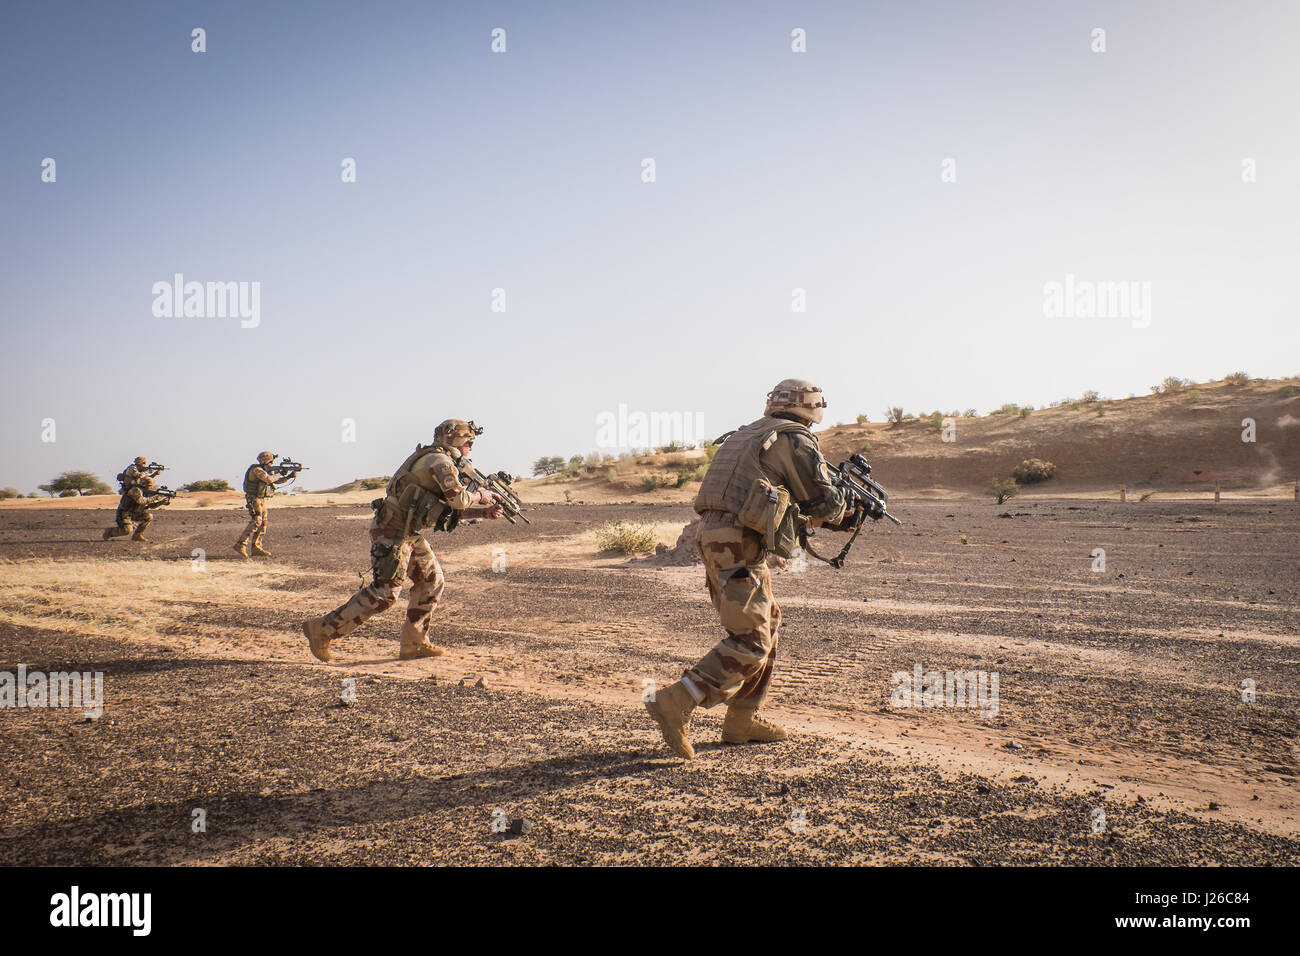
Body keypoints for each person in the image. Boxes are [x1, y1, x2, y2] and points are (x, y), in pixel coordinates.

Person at [644, 379, 848, 759]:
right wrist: (845, 506)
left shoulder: (749, 434)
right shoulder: (795, 439)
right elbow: (822, 503)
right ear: (812, 408)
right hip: (736, 542)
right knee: (751, 639)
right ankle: (676, 700)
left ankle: (743, 719)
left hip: (720, 538)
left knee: (767, 621)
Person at [300, 419, 503, 662]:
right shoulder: (440, 462)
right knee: (386, 593)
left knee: (431, 580)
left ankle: (414, 643)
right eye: (468, 442)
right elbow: (459, 501)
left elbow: (443, 511)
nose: (470, 447)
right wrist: (482, 495)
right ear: (456, 441)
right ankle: (321, 630)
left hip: (407, 532)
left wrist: (483, 512)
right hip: (392, 532)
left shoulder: (433, 458)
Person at [235, 451, 295, 558]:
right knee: (256, 521)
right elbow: (268, 479)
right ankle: (240, 544)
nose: (272, 463)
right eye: (271, 461)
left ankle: (256, 547)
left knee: (263, 523)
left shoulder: (264, 470)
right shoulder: (257, 469)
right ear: (266, 461)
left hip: (262, 499)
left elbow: (275, 482)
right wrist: (280, 473)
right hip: (254, 499)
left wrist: (289, 476)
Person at [102, 476, 171, 543]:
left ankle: (138, 535)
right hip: (124, 514)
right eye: (149, 485)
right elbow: (141, 501)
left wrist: (161, 502)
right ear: (144, 484)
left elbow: (151, 506)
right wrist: (155, 498)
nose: (151, 487)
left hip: (135, 513)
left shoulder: (146, 493)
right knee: (127, 531)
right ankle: (109, 532)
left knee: (149, 516)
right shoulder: (135, 490)